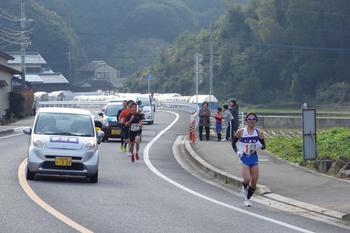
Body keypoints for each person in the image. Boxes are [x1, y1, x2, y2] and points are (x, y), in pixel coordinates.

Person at [231, 113, 265, 207]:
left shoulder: (259, 133)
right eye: (249, 119)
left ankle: (247, 199)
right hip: (244, 156)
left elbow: (264, 146)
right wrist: (237, 151)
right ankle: (244, 187)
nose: (252, 120)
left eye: (254, 119)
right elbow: (233, 143)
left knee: (254, 182)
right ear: (246, 121)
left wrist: (259, 144)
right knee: (247, 179)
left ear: (256, 121)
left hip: (253, 157)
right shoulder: (241, 131)